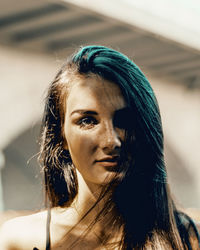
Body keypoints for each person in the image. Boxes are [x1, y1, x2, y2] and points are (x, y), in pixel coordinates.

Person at [0, 45, 199, 250]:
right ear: (61, 137)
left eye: (124, 120)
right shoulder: (20, 240)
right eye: (87, 120)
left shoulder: (187, 240)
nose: (111, 140)